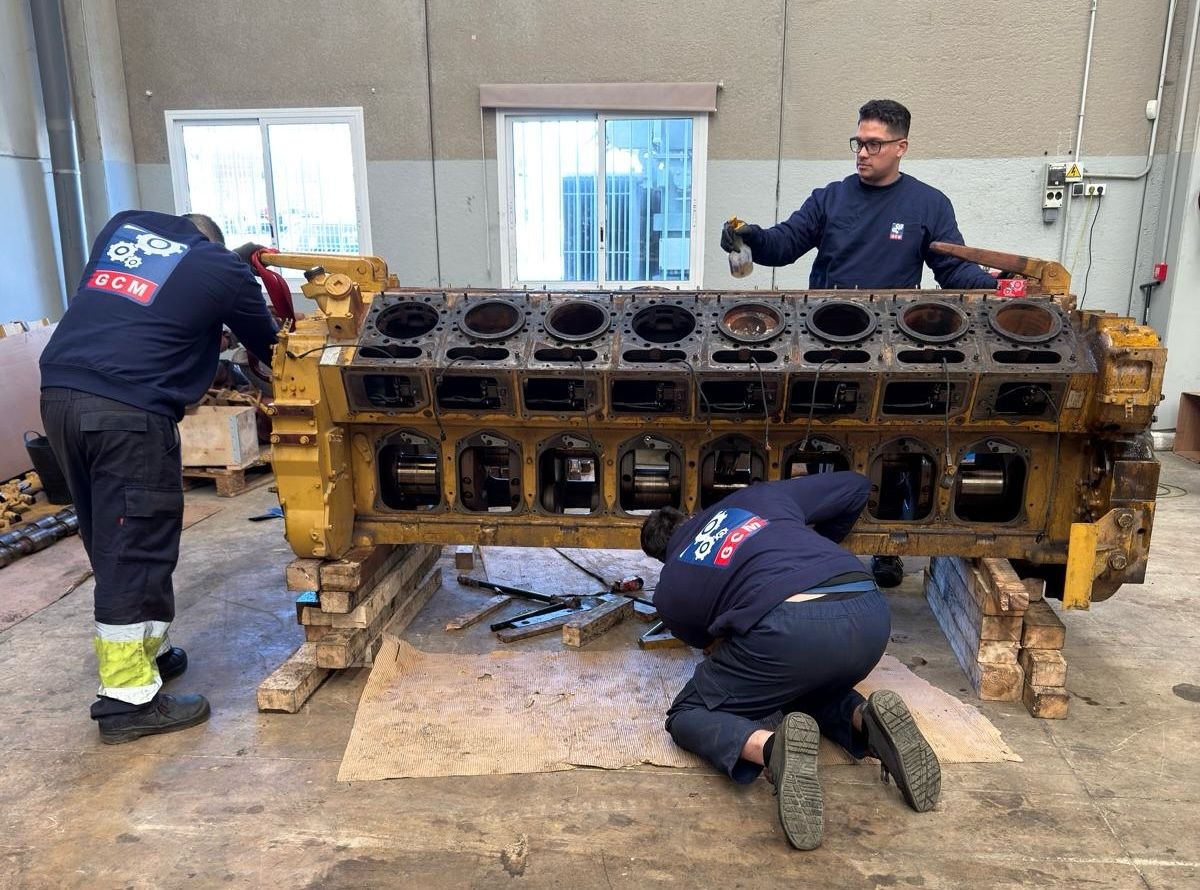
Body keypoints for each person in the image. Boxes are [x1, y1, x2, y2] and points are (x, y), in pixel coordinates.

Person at [720, 98, 994, 588]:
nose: (862, 153)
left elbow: (953, 268)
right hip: (825, 344)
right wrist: (751, 237)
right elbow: (785, 244)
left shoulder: (928, 205)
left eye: (874, 145)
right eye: (858, 143)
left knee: (898, 445)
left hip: (893, 350)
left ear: (901, 147)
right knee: (821, 440)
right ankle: (818, 542)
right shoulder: (830, 199)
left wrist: (997, 287)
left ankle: (889, 544)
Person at [39, 210, 278, 744]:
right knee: (137, 544)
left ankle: (149, 652)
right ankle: (126, 701)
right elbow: (272, 349)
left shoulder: (122, 229)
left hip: (60, 395)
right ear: (212, 243)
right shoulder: (225, 269)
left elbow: (143, 309)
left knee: (110, 532)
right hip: (128, 412)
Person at [640, 472, 940, 850]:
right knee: (795, 683)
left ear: (660, 557)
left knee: (687, 712)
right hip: (868, 611)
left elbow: (710, 644)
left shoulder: (670, 588)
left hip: (790, 630)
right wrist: (812, 556)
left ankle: (770, 749)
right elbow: (857, 487)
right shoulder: (757, 498)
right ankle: (865, 719)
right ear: (690, 516)